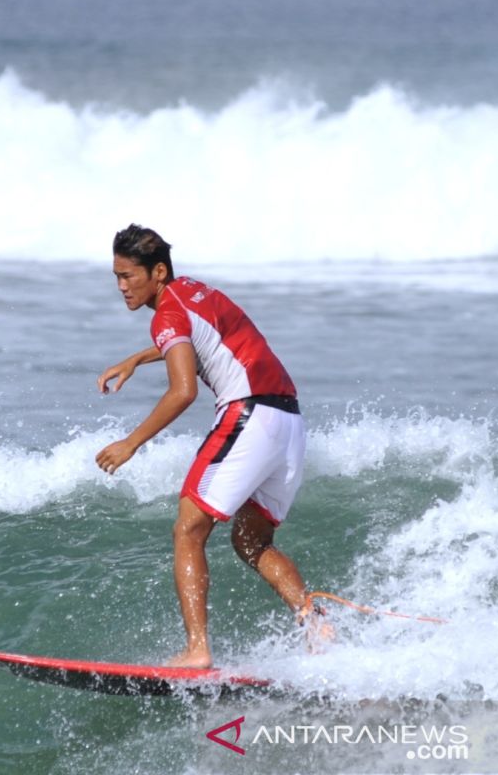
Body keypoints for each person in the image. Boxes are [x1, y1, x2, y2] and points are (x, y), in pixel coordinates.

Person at [95, 224, 328, 666]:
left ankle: (197, 649)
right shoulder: (197, 293)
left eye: (128, 276)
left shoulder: (166, 315)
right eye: (116, 277)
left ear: (158, 271)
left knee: (188, 530)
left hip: (249, 414)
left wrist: (131, 442)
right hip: (289, 422)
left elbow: (184, 391)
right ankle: (315, 624)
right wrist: (138, 358)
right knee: (251, 541)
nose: (122, 287)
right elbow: (203, 338)